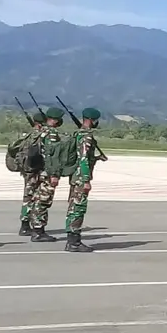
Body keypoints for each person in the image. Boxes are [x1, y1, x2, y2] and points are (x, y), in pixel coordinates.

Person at [64, 108, 103, 252]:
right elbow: (83, 158)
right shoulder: (86, 136)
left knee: (73, 207)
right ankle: (73, 242)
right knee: (78, 208)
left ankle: (72, 239)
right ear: (93, 120)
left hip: (75, 175)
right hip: (81, 177)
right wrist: (86, 179)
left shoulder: (78, 134)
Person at [28, 107, 65, 242]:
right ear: (55, 120)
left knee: (37, 199)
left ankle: (35, 227)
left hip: (37, 171)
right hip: (47, 172)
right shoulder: (52, 134)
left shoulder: (39, 132)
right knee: (43, 200)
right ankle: (38, 231)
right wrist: (54, 174)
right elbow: (52, 155)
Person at [18, 112, 45, 236]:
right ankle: (37, 225)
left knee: (27, 197)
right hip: (37, 171)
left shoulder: (28, 136)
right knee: (38, 198)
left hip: (27, 170)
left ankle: (24, 225)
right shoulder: (41, 136)